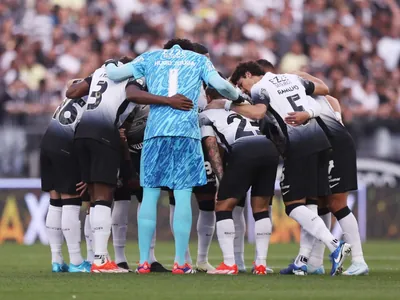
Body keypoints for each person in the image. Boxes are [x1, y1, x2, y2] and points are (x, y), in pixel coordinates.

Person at [105, 38, 245, 274]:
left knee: (149, 194)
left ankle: (143, 262)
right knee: (182, 195)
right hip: (186, 134)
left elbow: (116, 75)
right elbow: (221, 86)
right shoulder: (198, 59)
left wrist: (109, 63)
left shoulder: (151, 56)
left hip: (155, 133)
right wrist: (238, 96)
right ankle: (181, 262)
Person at [207, 61, 352, 276]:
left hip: (299, 143)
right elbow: (323, 90)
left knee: (293, 205)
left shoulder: (259, 88)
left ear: (248, 74)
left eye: (241, 84)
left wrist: (225, 105)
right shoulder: (291, 79)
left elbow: (257, 113)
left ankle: (334, 245)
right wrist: (304, 85)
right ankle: (303, 261)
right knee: (310, 200)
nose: (243, 90)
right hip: (321, 140)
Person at [73, 57, 193, 273]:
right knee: (103, 197)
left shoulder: (100, 72)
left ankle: (96, 257)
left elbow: (72, 92)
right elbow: (132, 94)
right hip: (104, 132)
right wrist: (169, 100)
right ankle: (101, 261)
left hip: (81, 131)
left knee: (93, 197)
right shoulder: (132, 75)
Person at [200, 84, 279, 275]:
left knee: (222, 205)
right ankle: (260, 264)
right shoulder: (243, 109)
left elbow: (211, 147)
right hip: (268, 149)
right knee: (260, 209)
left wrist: (222, 180)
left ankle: (228, 263)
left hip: (243, 150)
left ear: (209, 97)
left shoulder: (206, 115)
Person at [306, 95, 369, 276]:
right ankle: (316, 262)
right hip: (323, 149)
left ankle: (358, 260)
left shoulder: (314, 97)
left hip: (335, 147)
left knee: (337, 203)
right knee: (321, 202)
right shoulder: (326, 99)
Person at [40, 79, 91, 273]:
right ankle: (77, 261)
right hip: (65, 145)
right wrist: (86, 173)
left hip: (46, 143)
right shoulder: (93, 101)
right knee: (70, 202)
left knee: (55, 202)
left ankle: (56, 260)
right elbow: (85, 138)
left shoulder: (69, 99)